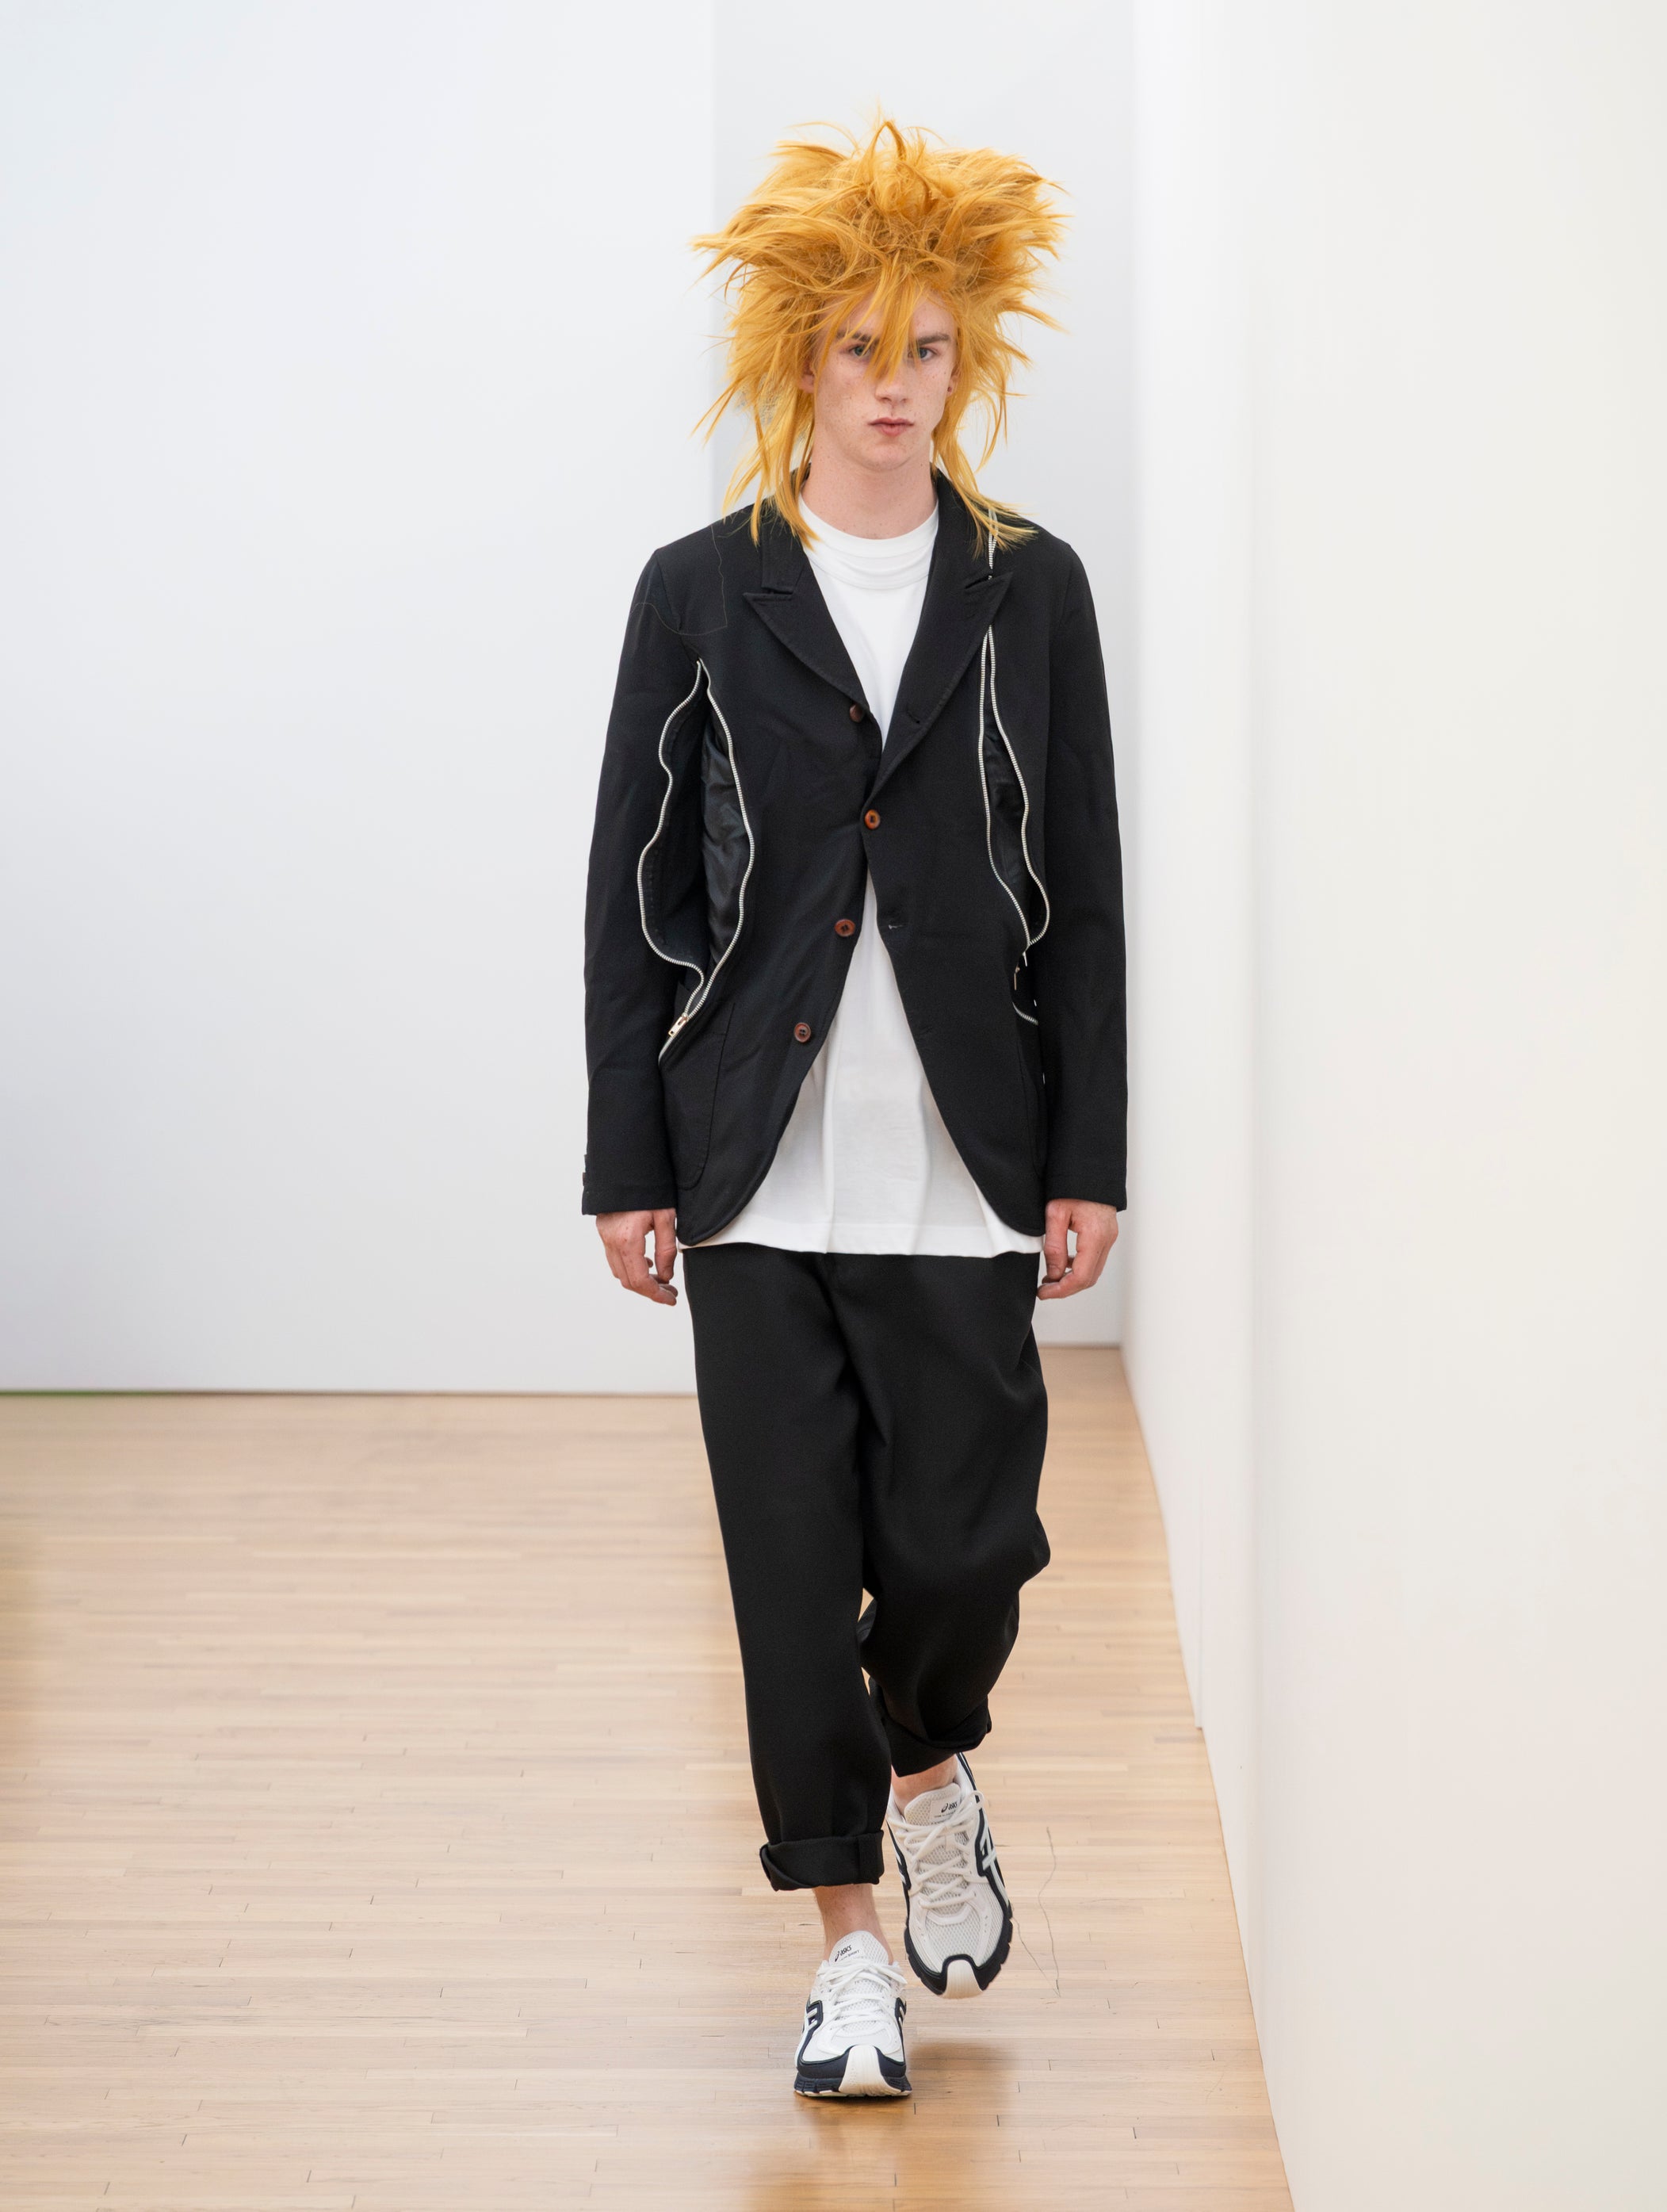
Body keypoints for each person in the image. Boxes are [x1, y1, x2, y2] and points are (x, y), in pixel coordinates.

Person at [582, 118, 1126, 2099]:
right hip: (752, 1167)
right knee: (790, 1581)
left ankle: (931, 1764)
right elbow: (631, 888)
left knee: (967, 1549)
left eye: (930, 348)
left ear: (967, 362)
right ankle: (845, 1960)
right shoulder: (699, 591)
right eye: (860, 348)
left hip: (966, 1162)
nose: (897, 384)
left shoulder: (1030, 586)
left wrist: (1088, 1154)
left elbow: (1086, 880)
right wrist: (627, 1161)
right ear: (798, 362)